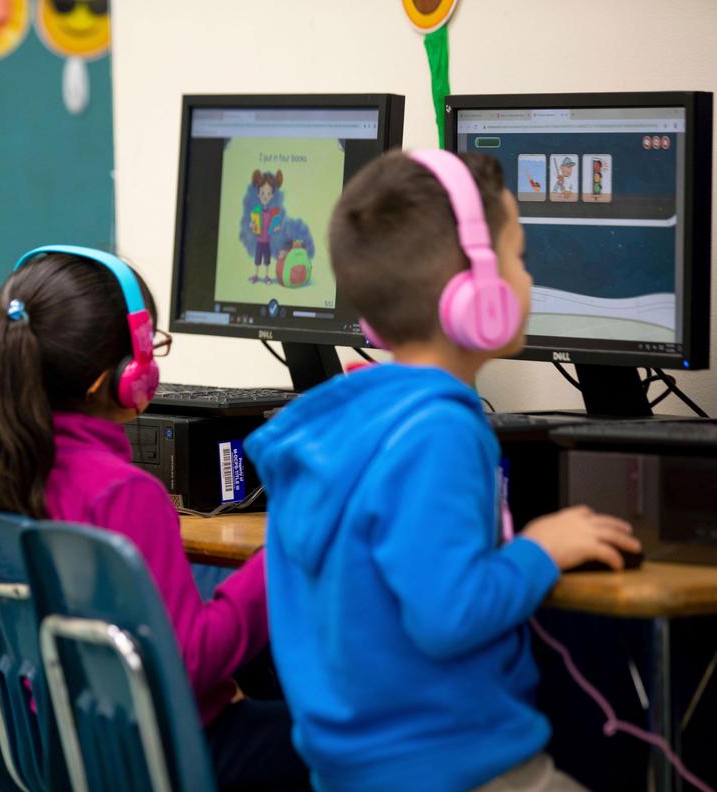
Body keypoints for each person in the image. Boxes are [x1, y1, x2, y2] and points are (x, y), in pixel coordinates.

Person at [246, 151, 640, 791]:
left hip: (355, 771)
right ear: (475, 290)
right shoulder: (438, 430)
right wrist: (540, 550)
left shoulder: (341, 423)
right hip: (454, 765)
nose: (528, 277)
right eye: (518, 256)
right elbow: (449, 615)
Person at [0, 245, 309, 789]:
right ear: (122, 375)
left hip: (66, 752)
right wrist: (277, 554)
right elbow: (188, 664)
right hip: (166, 759)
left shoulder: (2, 481)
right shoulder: (125, 493)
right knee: (352, 738)